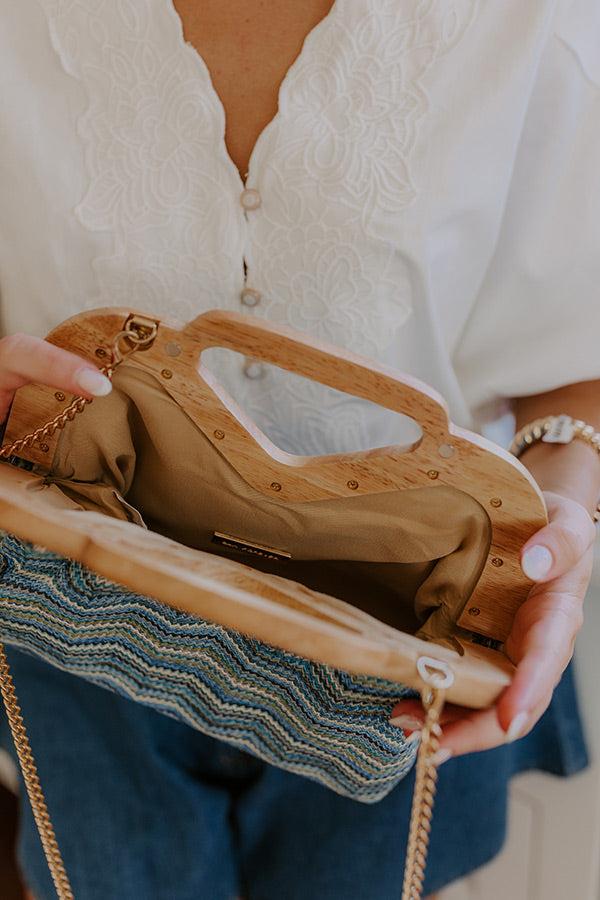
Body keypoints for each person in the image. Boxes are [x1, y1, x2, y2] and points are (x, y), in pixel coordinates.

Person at [0, 1, 598, 897]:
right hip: (73, 613)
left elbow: (575, 359)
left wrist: (563, 512)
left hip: (400, 655)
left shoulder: (533, 21)